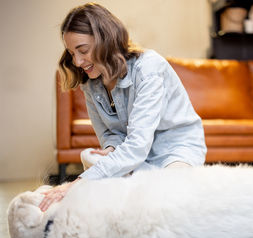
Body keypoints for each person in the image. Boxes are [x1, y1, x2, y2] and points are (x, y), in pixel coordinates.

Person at [39, 3, 207, 212]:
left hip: (174, 151)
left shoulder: (149, 68)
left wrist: (78, 183)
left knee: (166, 198)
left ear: (105, 41)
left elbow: (137, 146)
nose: (78, 61)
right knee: (90, 157)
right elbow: (110, 135)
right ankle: (132, 183)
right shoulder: (90, 84)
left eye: (82, 50)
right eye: (72, 53)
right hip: (136, 156)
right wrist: (109, 150)